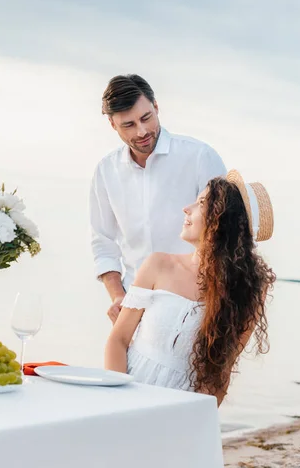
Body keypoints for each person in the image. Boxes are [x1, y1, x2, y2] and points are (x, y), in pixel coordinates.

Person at [104, 170, 275, 405]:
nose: (187, 208)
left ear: (223, 219)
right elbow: (118, 340)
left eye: (202, 203)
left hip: (183, 405)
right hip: (128, 389)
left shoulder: (247, 291)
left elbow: (221, 372)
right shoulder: (158, 264)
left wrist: (193, 418)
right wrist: (118, 400)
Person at [90, 74, 226, 323]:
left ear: (156, 106)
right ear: (112, 124)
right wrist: (118, 297)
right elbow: (103, 241)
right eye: (128, 125)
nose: (141, 131)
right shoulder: (106, 171)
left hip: (195, 309)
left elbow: (226, 234)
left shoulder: (200, 157)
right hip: (132, 309)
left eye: (146, 118)